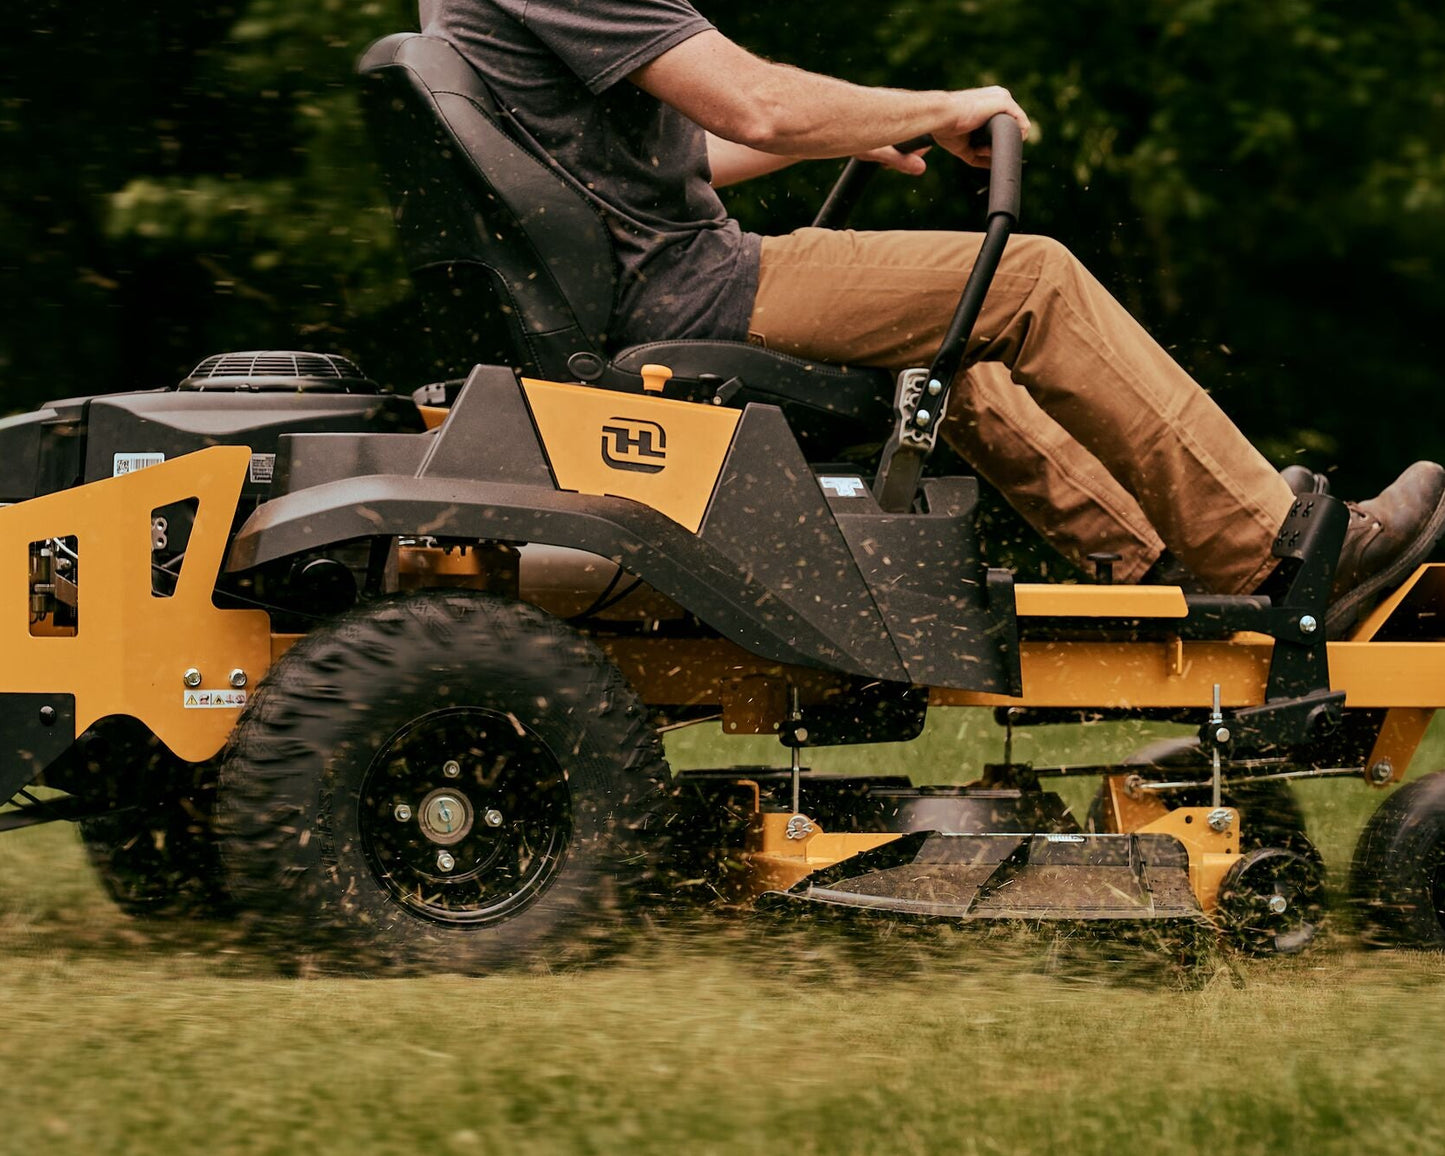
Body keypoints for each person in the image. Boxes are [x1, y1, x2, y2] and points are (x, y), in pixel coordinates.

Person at [419, 0, 1445, 634]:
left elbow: (681, 159)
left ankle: (1148, 558)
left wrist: (853, 130)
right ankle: (1273, 551)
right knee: (1029, 279)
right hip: (688, 284)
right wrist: (936, 104)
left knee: (953, 338)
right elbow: (754, 104)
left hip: (653, 282)